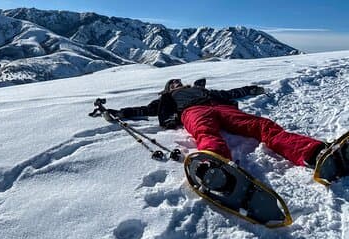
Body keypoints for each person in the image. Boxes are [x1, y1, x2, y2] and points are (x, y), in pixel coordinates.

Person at [107, 78, 325, 167]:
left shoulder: (201, 89)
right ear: (168, 89)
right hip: (192, 112)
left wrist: (250, 89)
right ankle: (216, 165)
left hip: (221, 107)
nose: (176, 83)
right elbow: (146, 110)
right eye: (172, 83)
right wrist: (118, 112)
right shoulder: (168, 98)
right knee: (206, 133)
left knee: (262, 125)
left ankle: (312, 152)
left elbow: (230, 92)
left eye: (178, 81)